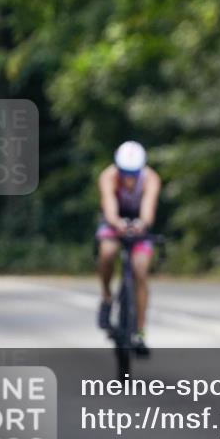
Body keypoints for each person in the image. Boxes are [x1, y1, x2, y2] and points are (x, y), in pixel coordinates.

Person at [96, 141, 161, 357]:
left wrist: (141, 225)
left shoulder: (151, 179)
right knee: (107, 252)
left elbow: (148, 210)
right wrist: (117, 224)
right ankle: (107, 295)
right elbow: (109, 206)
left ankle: (140, 332)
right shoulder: (108, 176)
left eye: (133, 173)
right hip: (113, 221)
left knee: (140, 270)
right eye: (124, 172)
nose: (129, 178)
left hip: (138, 222)